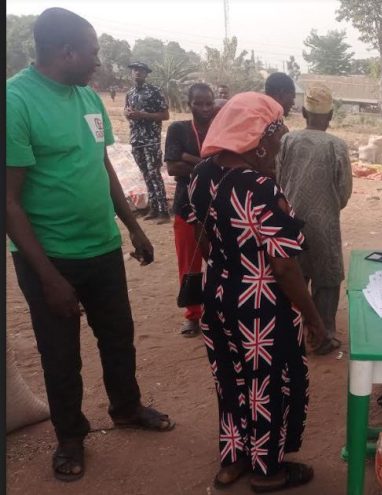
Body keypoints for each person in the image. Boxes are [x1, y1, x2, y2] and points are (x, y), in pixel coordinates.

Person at [6, 7, 174, 483]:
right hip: (50, 257)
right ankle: (70, 436)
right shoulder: (16, 101)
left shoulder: (88, 98)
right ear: (67, 51)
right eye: (94, 52)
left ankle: (126, 407)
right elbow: (9, 202)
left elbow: (100, 167)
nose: (100, 61)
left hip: (101, 248)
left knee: (117, 335)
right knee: (60, 353)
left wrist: (133, 228)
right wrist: (49, 278)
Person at [188, 92, 324, 491]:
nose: (280, 148)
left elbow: (202, 233)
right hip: (261, 306)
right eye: (278, 139)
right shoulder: (261, 188)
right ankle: (268, 470)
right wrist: (314, 318)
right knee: (268, 382)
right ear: (259, 140)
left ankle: (232, 462)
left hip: (218, 298)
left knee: (230, 379)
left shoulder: (202, 173)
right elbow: (284, 265)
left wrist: (230, 267)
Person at [276, 83, 352, 356]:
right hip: (325, 223)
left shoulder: (287, 140)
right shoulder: (337, 146)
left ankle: (293, 334)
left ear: (304, 112)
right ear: (330, 116)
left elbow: (278, 179)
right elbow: (344, 192)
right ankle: (324, 335)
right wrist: (328, 207)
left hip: (290, 221)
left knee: (293, 277)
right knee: (327, 279)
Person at [164, 83, 215, 337]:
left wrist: (189, 159)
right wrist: (207, 164)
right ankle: (193, 315)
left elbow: (226, 163)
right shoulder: (178, 129)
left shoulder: (220, 129)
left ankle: (218, 310)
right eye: (199, 103)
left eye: (209, 103)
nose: (205, 108)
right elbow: (173, 168)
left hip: (217, 208)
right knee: (189, 263)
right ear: (189, 104)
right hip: (187, 206)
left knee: (220, 262)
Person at [125, 61, 171, 223]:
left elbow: (165, 115)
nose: (137, 73)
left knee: (154, 173)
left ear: (146, 74)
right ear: (131, 73)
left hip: (151, 140)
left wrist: (142, 115)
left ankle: (163, 211)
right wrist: (128, 114)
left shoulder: (155, 91)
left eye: (141, 70)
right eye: (135, 70)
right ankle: (153, 208)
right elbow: (128, 111)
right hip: (136, 139)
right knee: (145, 173)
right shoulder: (129, 94)